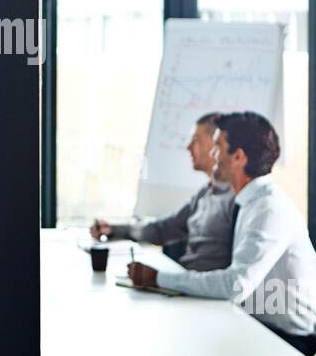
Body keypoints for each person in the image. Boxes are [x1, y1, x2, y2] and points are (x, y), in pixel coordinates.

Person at [127, 111, 316, 356]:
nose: (212, 155)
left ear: (238, 157)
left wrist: (158, 279)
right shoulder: (251, 201)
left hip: (286, 336)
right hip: (256, 319)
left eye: (218, 148)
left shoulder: (268, 208)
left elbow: (235, 285)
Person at [89, 112, 234, 271]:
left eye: (195, 141)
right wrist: (115, 229)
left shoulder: (236, 201)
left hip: (200, 290)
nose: (188, 148)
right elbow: (162, 229)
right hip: (184, 281)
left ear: (216, 145)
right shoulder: (204, 195)